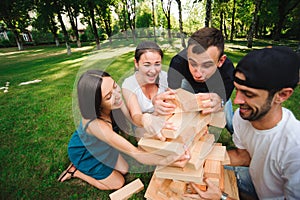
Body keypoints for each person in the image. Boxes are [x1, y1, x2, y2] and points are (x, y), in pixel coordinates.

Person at [185, 46, 300, 199]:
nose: (237, 101)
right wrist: (196, 156)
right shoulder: (243, 117)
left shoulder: (295, 150)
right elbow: (243, 156)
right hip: (256, 181)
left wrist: (222, 197)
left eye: (248, 94)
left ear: (282, 95)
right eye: (237, 90)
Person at [57, 70, 188, 190]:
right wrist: (166, 160)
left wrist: (150, 119)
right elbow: (135, 153)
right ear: (96, 103)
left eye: (114, 86)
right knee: (118, 182)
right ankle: (75, 171)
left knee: (124, 169)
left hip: (103, 145)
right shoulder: (96, 126)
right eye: (108, 96)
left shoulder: (116, 101)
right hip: (84, 152)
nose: (117, 95)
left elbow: (133, 120)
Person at [153, 27, 235, 134]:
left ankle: (236, 135)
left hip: (216, 90)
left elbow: (222, 99)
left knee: (229, 121)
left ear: (220, 61)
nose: (198, 74)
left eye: (207, 65)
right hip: (188, 86)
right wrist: (163, 105)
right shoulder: (177, 62)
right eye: (192, 63)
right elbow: (172, 93)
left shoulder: (228, 71)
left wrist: (221, 100)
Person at [122, 41, 173, 140]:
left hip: (164, 118)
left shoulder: (165, 77)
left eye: (157, 64)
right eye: (147, 65)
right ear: (136, 63)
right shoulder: (129, 84)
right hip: (141, 125)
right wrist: (146, 119)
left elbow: (175, 100)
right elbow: (136, 116)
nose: (153, 71)